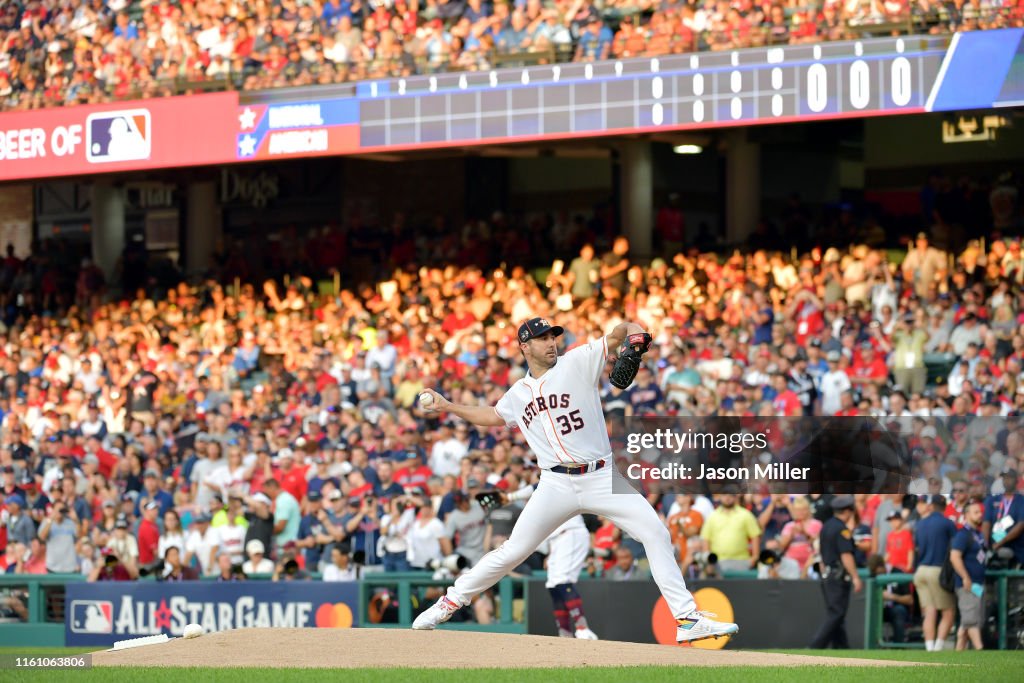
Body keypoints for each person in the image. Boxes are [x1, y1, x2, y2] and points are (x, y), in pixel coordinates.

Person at [412, 317, 737, 643]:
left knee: (655, 532)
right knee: (513, 550)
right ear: (525, 346)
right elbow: (494, 416)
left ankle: (687, 619)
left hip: (600, 476)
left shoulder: (578, 361)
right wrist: (448, 406)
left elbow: (620, 329)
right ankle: (447, 603)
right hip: (555, 484)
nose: (551, 342)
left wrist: (635, 332)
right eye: (541, 339)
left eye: (553, 336)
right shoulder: (518, 393)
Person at [810, 496, 863, 649]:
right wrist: (855, 577)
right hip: (838, 575)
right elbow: (846, 555)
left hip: (826, 574)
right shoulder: (842, 529)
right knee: (837, 613)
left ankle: (842, 647)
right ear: (847, 511)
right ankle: (815, 646)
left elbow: (820, 550)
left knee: (836, 613)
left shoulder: (826, 526)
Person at [913, 494, 957, 651]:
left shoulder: (920, 523)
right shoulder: (948, 523)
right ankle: (938, 649)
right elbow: (955, 548)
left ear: (931, 506)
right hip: (937, 570)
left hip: (920, 571)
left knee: (929, 611)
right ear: (944, 507)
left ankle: (929, 647)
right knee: (948, 611)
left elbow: (916, 548)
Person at [950, 499, 987, 650]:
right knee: (971, 620)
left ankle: (958, 655)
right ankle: (980, 649)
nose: (980, 515)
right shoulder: (963, 534)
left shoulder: (978, 534)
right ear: (966, 515)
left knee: (969, 621)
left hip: (977, 583)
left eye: (980, 512)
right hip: (968, 584)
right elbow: (955, 556)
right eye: (975, 512)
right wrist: (965, 577)